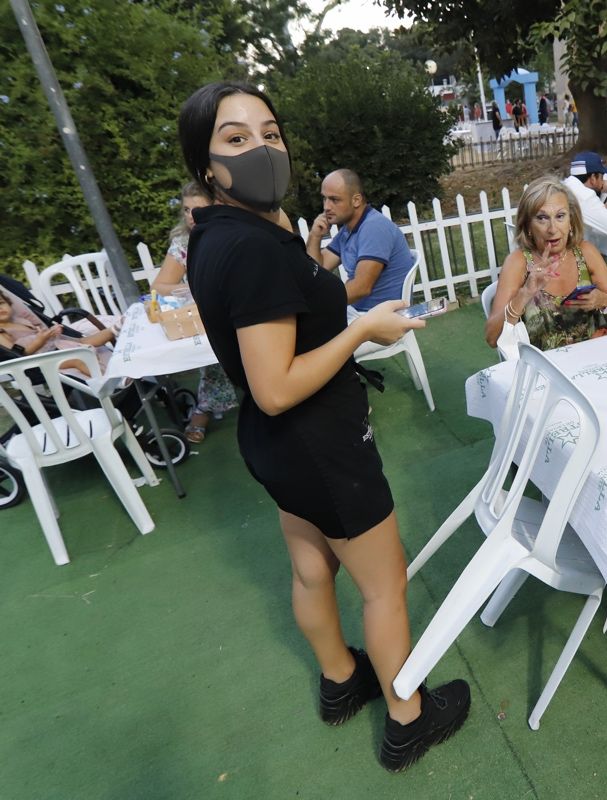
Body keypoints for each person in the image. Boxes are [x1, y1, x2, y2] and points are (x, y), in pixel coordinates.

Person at [178, 81, 469, 773]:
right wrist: (363, 327)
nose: (262, 148)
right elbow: (275, 387)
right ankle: (408, 717)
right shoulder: (249, 248)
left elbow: (277, 342)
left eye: (271, 133)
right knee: (383, 585)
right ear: (205, 163)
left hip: (278, 450)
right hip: (318, 442)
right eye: (237, 137)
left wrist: (296, 242)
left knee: (312, 569)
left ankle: (342, 680)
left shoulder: (223, 233)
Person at [484, 176, 607, 351]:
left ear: (571, 221)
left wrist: (603, 300)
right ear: (528, 226)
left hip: (590, 361)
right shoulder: (518, 262)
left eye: (560, 216)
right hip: (542, 370)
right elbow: (492, 339)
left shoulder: (586, 253)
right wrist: (524, 294)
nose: (552, 229)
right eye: (542, 218)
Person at [150, 181, 238, 443]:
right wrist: (189, 290)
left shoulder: (234, 233)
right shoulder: (183, 244)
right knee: (214, 342)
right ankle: (204, 408)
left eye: (198, 209)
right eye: (187, 210)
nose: (191, 216)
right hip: (211, 313)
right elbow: (159, 286)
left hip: (243, 305)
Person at [306, 170, 415, 319]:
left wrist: (317, 303)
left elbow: (361, 288)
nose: (326, 207)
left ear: (356, 200)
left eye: (334, 200)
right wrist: (315, 235)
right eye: (324, 199)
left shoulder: (373, 228)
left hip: (380, 316)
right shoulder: (348, 230)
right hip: (359, 312)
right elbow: (317, 269)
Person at [562, 151, 607, 299]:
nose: (603, 180)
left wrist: (603, 209)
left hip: (554, 261)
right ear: (593, 178)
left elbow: (584, 215)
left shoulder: (566, 186)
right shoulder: (586, 197)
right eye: (601, 176)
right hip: (571, 269)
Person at [0, 290, 116, 377]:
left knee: (84, 340)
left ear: (10, 304)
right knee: (78, 360)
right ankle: (109, 379)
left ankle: (115, 329)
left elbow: (40, 332)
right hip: (40, 361)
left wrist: (52, 331)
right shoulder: (2, 333)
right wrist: (40, 341)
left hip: (55, 346)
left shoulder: (21, 321)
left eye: (1, 303)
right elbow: (16, 355)